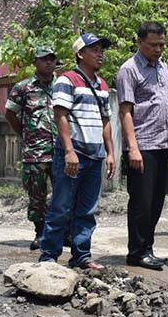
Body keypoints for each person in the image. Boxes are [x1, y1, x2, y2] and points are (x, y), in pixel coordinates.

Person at [38, 33, 117, 269]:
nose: (100, 53)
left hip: (95, 156)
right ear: (80, 54)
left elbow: (106, 121)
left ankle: (82, 256)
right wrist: (69, 150)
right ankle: (49, 257)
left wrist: (110, 153)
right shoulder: (67, 80)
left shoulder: (102, 85)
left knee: (87, 210)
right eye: (93, 49)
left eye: (101, 49)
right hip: (73, 154)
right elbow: (60, 116)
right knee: (61, 207)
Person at [117, 21, 168, 271]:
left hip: (163, 143)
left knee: (156, 201)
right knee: (141, 202)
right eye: (153, 45)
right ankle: (136, 251)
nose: (158, 49)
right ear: (139, 42)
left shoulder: (164, 68)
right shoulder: (128, 70)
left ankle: (148, 247)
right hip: (142, 145)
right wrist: (133, 148)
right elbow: (125, 112)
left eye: (162, 44)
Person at [5, 45, 58, 250]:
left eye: (52, 59)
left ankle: (63, 232)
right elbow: (10, 114)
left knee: (64, 194)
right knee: (37, 196)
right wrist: (25, 135)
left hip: (60, 152)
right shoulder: (23, 88)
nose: (49, 62)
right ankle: (40, 233)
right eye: (44, 59)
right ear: (35, 62)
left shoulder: (63, 86)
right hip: (35, 153)